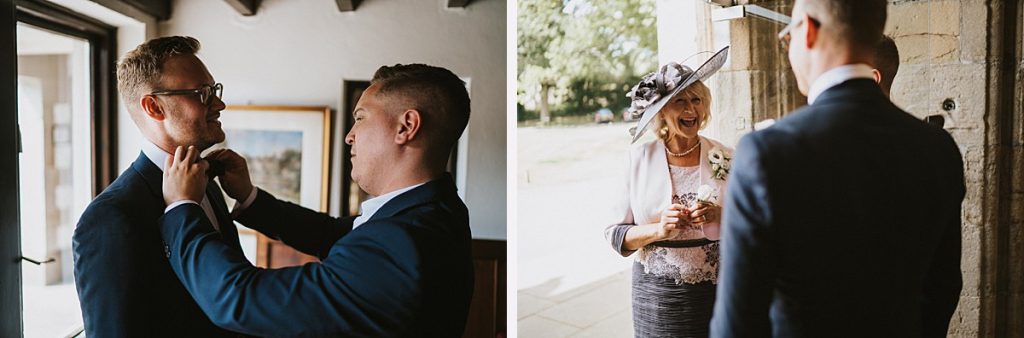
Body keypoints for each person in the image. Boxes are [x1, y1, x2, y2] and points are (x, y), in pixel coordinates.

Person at [158, 63, 474, 337]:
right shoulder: (433, 211)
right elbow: (335, 234)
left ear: (406, 127)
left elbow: (239, 299)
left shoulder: (401, 243)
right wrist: (250, 198)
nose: (350, 135)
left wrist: (182, 207)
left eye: (361, 118)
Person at [710, 1, 964, 337]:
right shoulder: (938, 148)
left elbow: (738, 322)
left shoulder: (767, 152)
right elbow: (944, 288)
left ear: (809, 31)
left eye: (788, 38)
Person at [73, 36, 244, 336]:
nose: (219, 103)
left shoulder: (208, 183)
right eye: (202, 93)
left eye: (214, 90)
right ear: (154, 107)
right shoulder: (110, 218)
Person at [604, 47, 732, 337]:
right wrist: (658, 229)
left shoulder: (726, 155)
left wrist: (720, 214)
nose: (691, 110)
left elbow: (752, 221)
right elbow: (615, 235)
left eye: (697, 100)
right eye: (680, 101)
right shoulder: (638, 159)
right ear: (662, 111)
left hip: (720, 287)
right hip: (657, 294)